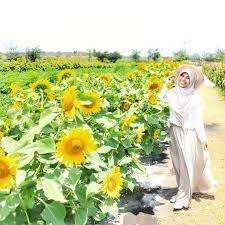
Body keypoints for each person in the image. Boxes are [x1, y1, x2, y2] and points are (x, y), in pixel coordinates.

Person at [158, 64, 218, 210]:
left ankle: (184, 198)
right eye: (182, 76)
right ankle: (181, 192)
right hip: (174, 131)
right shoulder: (173, 93)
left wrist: (202, 139)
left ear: (191, 82)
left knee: (186, 165)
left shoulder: (194, 99)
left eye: (187, 78)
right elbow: (160, 98)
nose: (183, 79)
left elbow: (198, 120)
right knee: (178, 164)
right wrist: (166, 83)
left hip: (188, 134)